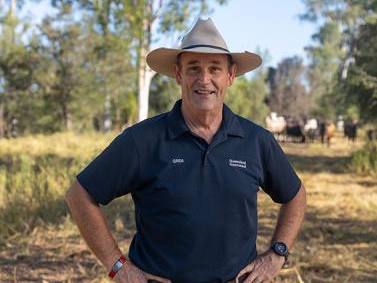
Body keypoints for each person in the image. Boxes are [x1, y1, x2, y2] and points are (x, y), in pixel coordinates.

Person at [65, 18, 307, 283]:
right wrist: (117, 265)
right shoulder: (142, 140)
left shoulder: (257, 141)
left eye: (214, 69)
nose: (204, 80)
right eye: (193, 69)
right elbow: (80, 195)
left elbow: (295, 196)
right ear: (179, 75)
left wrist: (277, 253)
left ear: (230, 76)